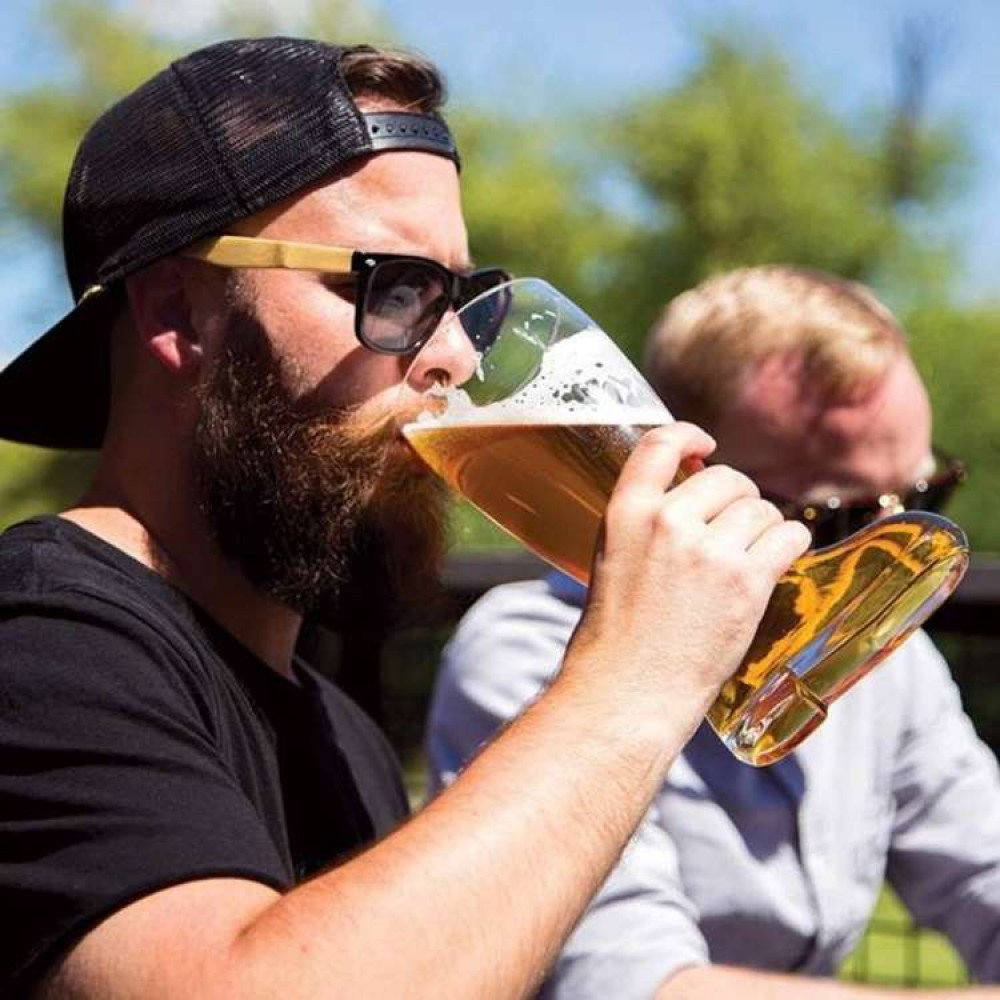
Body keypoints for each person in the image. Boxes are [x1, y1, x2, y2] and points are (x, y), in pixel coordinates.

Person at [0, 38, 813, 999]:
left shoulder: (341, 734)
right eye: (391, 288)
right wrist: (638, 678)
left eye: (457, 299)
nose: (456, 361)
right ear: (179, 312)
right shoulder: (38, 646)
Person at [428, 266, 1000, 997]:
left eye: (924, 496)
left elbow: (983, 869)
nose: (892, 557)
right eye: (850, 521)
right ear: (687, 477)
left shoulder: (886, 654)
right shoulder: (531, 651)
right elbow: (628, 983)